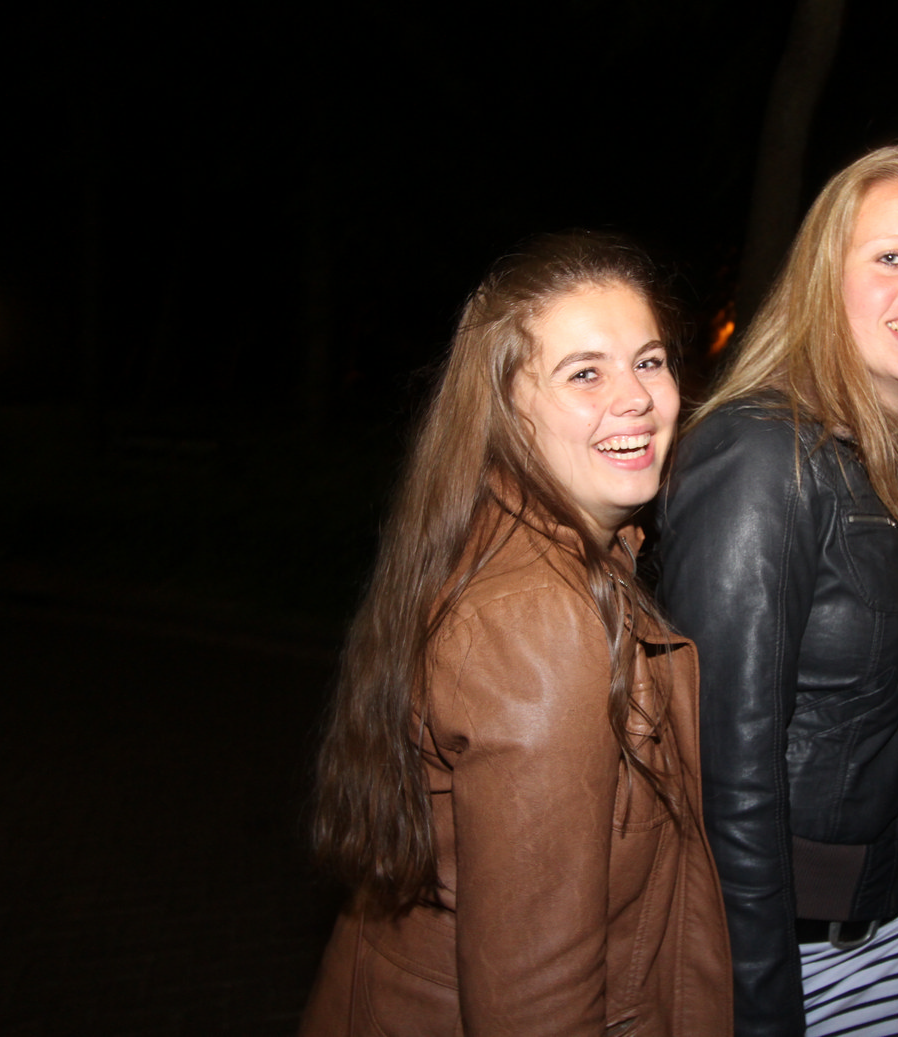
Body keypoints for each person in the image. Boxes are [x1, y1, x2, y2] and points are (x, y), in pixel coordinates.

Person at [298, 232, 732, 1036]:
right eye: (584, 373)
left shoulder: (531, 548)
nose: (636, 398)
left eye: (648, 361)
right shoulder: (540, 619)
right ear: (505, 409)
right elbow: (536, 1000)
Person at [656, 144, 898, 1036]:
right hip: (784, 951)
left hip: (890, 924)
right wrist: (757, 1000)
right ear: (826, 278)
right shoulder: (763, 456)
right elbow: (719, 770)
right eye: (890, 256)